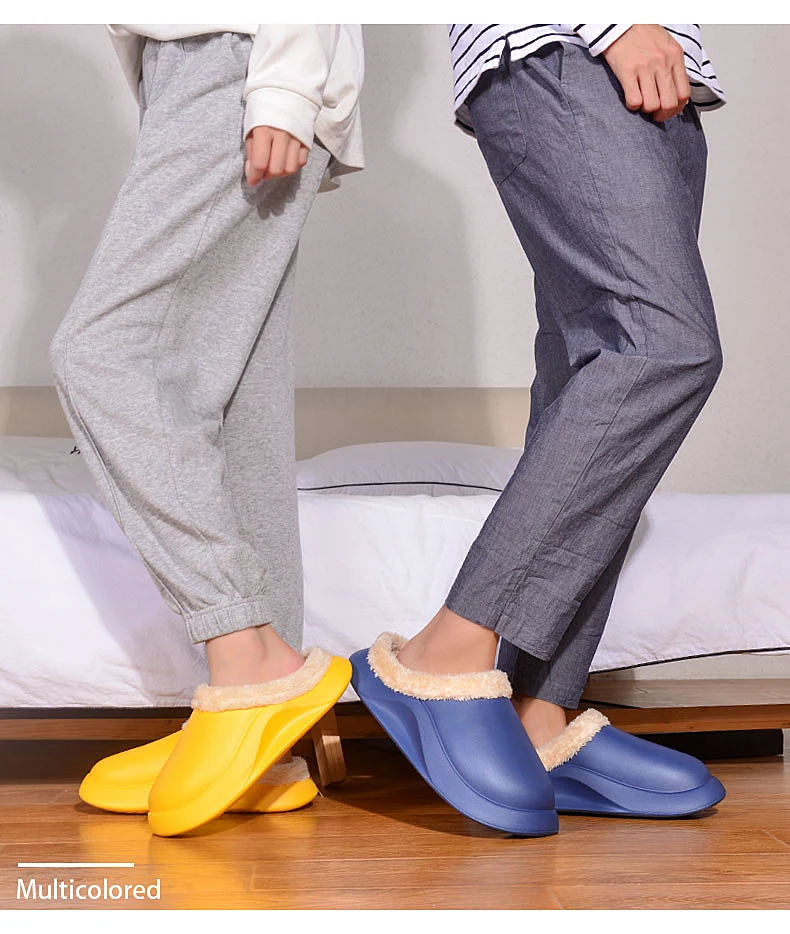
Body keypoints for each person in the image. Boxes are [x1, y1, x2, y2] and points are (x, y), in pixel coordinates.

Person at [351, 23, 727, 835]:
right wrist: (614, 22)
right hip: (572, 46)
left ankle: (538, 714)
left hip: (660, 75)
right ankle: (443, 652)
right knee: (662, 348)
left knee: (590, 374)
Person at [50, 24, 364, 836]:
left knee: (99, 355)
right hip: (203, 68)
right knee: (230, 403)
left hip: (234, 57)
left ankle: (248, 656)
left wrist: (284, 86)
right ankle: (268, 740)